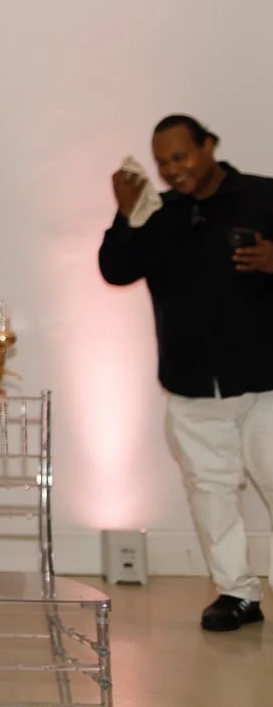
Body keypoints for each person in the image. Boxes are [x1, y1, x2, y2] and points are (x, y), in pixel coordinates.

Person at [100, 113, 273, 632]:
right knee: (210, 492)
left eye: (182, 156)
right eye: (163, 162)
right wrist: (125, 214)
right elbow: (115, 269)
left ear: (210, 145)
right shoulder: (156, 213)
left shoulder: (264, 196)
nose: (173, 169)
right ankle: (237, 593)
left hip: (265, 379)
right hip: (192, 383)